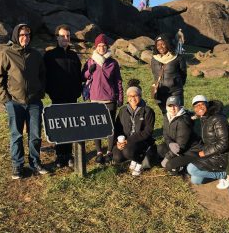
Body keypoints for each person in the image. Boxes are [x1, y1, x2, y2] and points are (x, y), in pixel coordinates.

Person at [0, 23, 47, 179]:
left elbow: (42, 75)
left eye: (28, 35)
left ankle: (35, 163)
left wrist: (40, 92)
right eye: (22, 35)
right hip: (15, 102)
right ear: (16, 36)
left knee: (35, 135)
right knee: (16, 135)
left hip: (34, 102)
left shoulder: (36, 55)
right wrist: (6, 99)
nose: (25, 38)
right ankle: (17, 166)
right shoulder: (6, 53)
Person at [44, 24, 82, 168]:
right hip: (57, 98)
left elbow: (78, 75)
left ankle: (69, 155)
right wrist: (51, 91)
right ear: (57, 37)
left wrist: (78, 91)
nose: (66, 38)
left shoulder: (74, 56)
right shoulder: (50, 56)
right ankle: (60, 156)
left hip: (72, 97)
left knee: (71, 126)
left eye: (68, 35)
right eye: (63, 36)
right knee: (60, 127)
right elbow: (44, 76)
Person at [82, 33, 123, 164]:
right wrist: (90, 71)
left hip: (109, 99)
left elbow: (118, 81)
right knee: (96, 126)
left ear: (107, 47)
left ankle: (109, 151)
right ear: (96, 47)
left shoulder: (113, 63)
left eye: (104, 45)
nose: (102, 48)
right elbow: (83, 76)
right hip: (95, 99)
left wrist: (120, 96)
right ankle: (99, 152)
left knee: (110, 126)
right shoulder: (90, 61)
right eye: (99, 45)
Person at [112, 79, 155, 176]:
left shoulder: (148, 111)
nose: (133, 98)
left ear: (140, 96)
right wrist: (118, 142)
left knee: (128, 151)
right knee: (117, 157)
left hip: (142, 141)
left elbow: (148, 132)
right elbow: (118, 128)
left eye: (136, 95)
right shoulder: (123, 111)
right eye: (130, 96)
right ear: (127, 98)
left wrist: (129, 140)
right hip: (125, 140)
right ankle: (133, 157)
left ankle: (140, 160)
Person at [186, 95, 229, 184]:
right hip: (212, 152)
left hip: (223, 155)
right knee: (196, 180)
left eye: (202, 104)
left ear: (207, 105)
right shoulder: (204, 118)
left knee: (191, 169)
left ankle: (224, 174)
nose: (199, 107)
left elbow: (224, 144)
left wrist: (205, 153)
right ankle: (217, 172)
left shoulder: (218, 119)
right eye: (196, 106)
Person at [157, 96, 197, 175]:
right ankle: (177, 161)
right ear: (166, 107)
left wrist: (167, 157)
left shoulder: (183, 121)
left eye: (175, 105)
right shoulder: (166, 116)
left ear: (180, 106)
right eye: (170, 106)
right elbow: (165, 134)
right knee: (160, 148)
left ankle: (185, 165)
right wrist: (170, 144)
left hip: (187, 150)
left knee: (169, 166)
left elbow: (181, 145)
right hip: (175, 146)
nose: (172, 108)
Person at [151, 34, 187, 114]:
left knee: (177, 113)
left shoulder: (178, 58)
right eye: (158, 45)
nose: (160, 47)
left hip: (175, 91)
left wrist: (176, 84)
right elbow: (154, 74)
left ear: (168, 44)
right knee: (165, 113)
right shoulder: (154, 59)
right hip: (160, 91)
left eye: (163, 44)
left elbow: (183, 74)